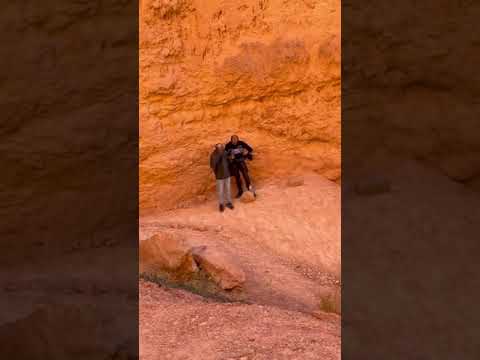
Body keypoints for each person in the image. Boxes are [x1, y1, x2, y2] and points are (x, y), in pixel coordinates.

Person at [210, 143, 234, 212]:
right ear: (216, 148)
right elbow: (213, 165)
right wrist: (219, 155)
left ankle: (228, 202)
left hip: (227, 175)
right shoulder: (213, 155)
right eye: (219, 148)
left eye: (221, 147)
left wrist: (231, 158)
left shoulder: (225, 153)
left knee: (228, 189)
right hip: (219, 176)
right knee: (220, 191)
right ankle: (221, 204)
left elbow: (229, 161)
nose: (220, 149)